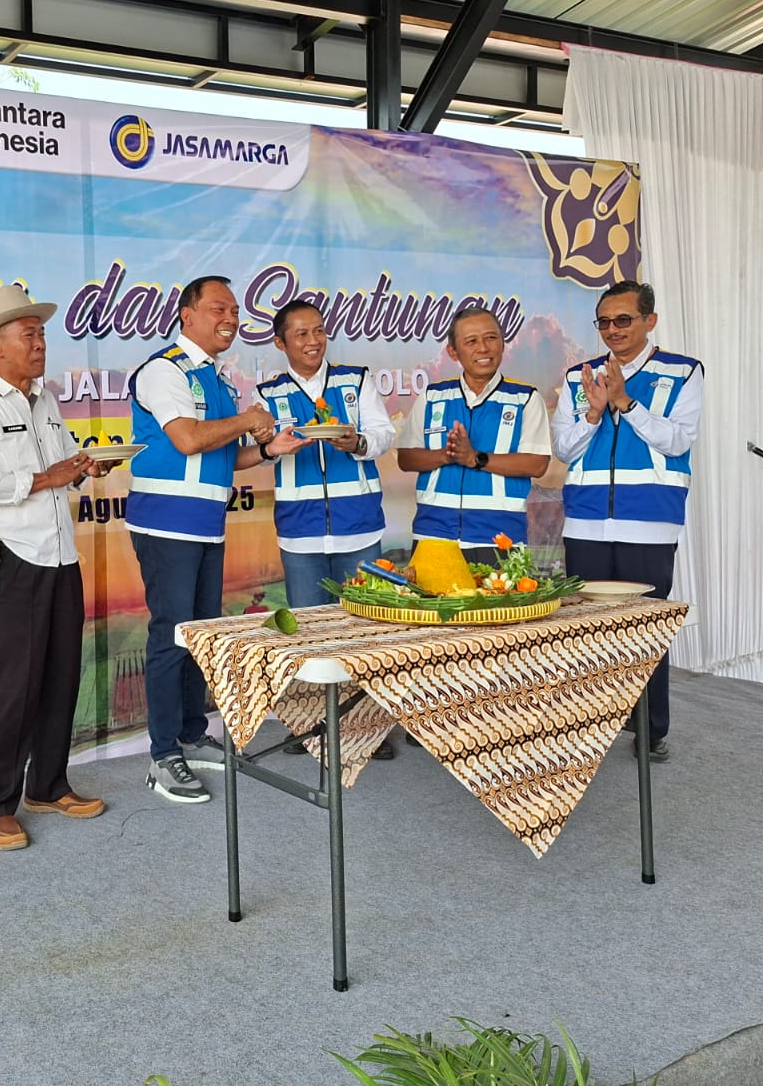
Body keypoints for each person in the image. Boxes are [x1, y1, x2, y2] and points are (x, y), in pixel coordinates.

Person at [0, 285, 117, 851]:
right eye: (29, 334)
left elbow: (60, 464)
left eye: (42, 332)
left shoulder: (45, 402)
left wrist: (84, 466)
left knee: (60, 678)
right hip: (9, 559)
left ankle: (47, 785)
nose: (40, 342)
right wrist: (47, 477)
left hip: (60, 554)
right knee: (10, 687)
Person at [125, 275, 307, 803]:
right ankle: (162, 756)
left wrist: (273, 450)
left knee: (199, 635)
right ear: (186, 314)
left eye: (234, 310)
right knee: (170, 634)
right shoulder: (164, 370)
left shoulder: (219, 380)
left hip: (205, 522)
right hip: (165, 524)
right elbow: (186, 440)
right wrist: (250, 419)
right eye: (218, 308)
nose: (230, 318)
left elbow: (226, 457)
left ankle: (188, 731)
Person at [552, 281, 702, 762]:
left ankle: (650, 728)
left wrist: (626, 403)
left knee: (643, 631)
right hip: (587, 523)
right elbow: (564, 449)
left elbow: (678, 441)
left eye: (623, 320)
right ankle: (589, 726)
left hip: (649, 522)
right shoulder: (580, 375)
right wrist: (594, 411)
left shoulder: (682, 372)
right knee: (586, 632)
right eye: (604, 322)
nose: (612, 330)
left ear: (649, 321)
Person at [256, 298, 398, 758]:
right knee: (309, 632)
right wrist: (274, 448)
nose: (314, 341)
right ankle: (314, 725)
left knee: (363, 628)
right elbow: (256, 448)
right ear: (281, 343)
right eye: (301, 334)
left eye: (319, 331)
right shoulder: (268, 393)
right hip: (300, 528)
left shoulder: (354, 380)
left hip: (358, 523)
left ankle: (367, 726)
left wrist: (355, 440)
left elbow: (382, 435)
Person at [396, 306, 550, 564]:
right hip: (433, 538)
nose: (483, 348)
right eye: (471, 341)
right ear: (453, 352)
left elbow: (537, 463)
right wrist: (447, 455)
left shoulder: (525, 398)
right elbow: (406, 459)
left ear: (503, 343)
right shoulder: (432, 397)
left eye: (491, 338)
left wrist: (475, 458)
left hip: (500, 538)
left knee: (500, 605)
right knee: (433, 606)